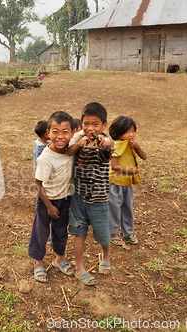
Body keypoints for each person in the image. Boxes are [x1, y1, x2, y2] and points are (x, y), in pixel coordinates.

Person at [67, 102, 113, 286]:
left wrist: (106, 142)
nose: (90, 128)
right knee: (79, 233)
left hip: (99, 200)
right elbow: (69, 150)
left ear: (104, 125)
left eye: (95, 124)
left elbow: (109, 147)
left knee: (102, 234)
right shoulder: (80, 140)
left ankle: (106, 254)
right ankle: (79, 267)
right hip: (79, 197)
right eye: (86, 123)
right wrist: (80, 143)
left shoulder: (104, 145)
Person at [29, 111, 75, 283]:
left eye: (65, 131)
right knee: (41, 231)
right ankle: (38, 262)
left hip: (65, 199)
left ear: (72, 133)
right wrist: (49, 206)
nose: (60, 136)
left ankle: (59, 259)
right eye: (55, 131)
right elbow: (38, 184)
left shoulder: (71, 150)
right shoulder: (45, 158)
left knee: (61, 231)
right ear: (48, 133)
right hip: (46, 200)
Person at [108, 116, 147, 246]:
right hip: (115, 183)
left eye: (132, 131)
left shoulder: (131, 145)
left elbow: (144, 157)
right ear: (118, 133)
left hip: (127, 183)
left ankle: (128, 232)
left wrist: (138, 147)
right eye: (127, 132)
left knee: (127, 207)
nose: (131, 134)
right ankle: (113, 233)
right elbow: (114, 165)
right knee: (114, 207)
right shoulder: (117, 145)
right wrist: (130, 171)